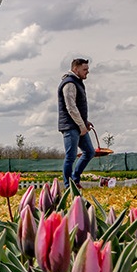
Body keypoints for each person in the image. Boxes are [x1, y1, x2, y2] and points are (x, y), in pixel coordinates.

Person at [57, 58, 95, 188]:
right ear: (75, 69)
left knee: (89, 152)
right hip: (70, 126)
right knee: (71, 156)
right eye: (85, 69)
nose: (87, 72)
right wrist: (81, 126)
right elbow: (71, 107)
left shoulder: (76, 82)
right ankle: (68, 186)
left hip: (79, 125)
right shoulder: (69, 83)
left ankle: (75, 179)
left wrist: (85, 122)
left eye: (87, 69)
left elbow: (77, 107)